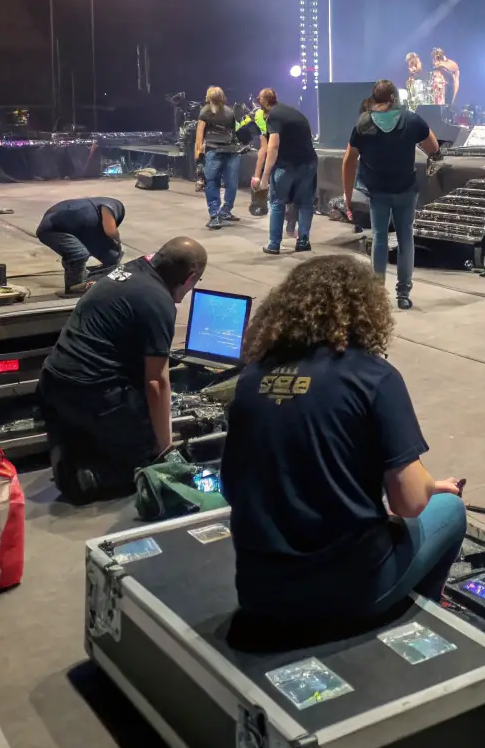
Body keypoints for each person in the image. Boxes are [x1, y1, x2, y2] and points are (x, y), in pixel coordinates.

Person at [221, 256, 466, 627]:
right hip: (347, 595)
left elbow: (231, 488)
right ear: (366, 311)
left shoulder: (251, 378)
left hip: (259, 593)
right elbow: (410, 503)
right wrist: (432, 487)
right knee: (449, 509)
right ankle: (415, 617)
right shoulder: (374, 377)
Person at [39, 237, 207, 503]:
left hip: (53, 382)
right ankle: (92, 478)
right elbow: (156, 383)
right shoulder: (158, 301)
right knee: (148, 452)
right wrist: (165, 450)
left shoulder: (131, 269)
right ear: (190, 277)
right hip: (92, 393)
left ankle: (75, 449)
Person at [341, 81, 441, 312]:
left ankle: (377, 294)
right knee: (406, 238)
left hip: (377, 192)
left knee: (379, 238)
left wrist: (348, 196)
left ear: (374, 98)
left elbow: (348, 160)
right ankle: (403, 293)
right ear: (395, 97)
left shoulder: (363, 123)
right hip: (406, 189)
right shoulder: (412, 119)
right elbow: (434, 147)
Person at [251, 88, 318, 256]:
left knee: (277, 203)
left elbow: (273, 146)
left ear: (264, 102)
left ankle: (274, 244)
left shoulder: (274, 116)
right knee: (305, 204)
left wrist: (265, 176)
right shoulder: (293, 113)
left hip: (286, 165)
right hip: (308, 163)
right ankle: (303, 242)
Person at [36, 196, 126, 296]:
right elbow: (110, 231)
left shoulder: (91, 213)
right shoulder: (112, 206)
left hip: (64, 223)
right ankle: (75, 289)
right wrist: (117, 241)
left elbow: (99, 244)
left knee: (104, 254)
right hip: (53, 228)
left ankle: (86, 280)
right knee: (78, 254)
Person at [194, 86, 241, 230]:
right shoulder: (229, 111)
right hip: (230, 151)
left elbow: (199, 133)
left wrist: (198, 151)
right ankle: (225, 211)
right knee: (231, 183)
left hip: (215, 151)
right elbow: (234, 132)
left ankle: (215, 215)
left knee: (212, 182)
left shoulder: (205, 111)